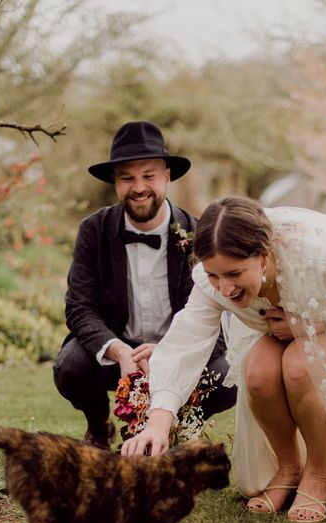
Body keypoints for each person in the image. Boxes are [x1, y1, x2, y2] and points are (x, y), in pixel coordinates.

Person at [122, 195, 326, 521]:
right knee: (258, 372)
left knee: (300, 367)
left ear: (263, 258)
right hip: (276, 327)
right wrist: (158, 426)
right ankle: (288, 468)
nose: (225, 289)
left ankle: (318, 473)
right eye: (215, 275)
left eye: (234, 273)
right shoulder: (210, 280)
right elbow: (185, 343)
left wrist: (312, 325)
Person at [53, 121, 237, 450]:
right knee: (71, 366)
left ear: (167, 176)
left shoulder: (198, 235)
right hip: (118, 357)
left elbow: (213, 323)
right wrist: (119, 350)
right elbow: (79, 308)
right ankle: (98, 426)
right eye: (127, 178)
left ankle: (175, 427)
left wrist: (168, 352)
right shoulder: (93, 231)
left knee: (228, 378)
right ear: (115, 183)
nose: (139, 187)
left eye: (148, 176)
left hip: (178, 350)